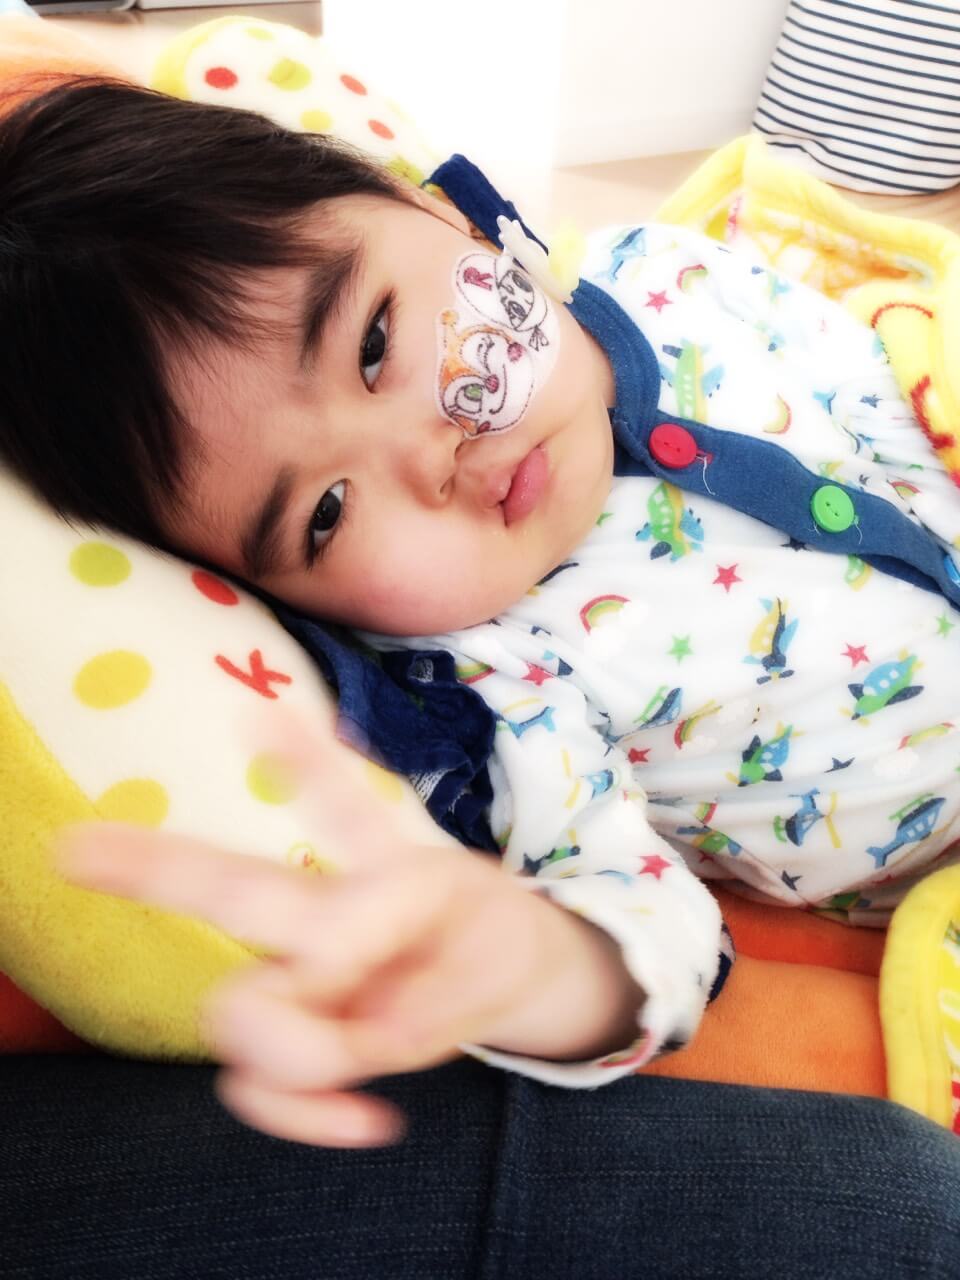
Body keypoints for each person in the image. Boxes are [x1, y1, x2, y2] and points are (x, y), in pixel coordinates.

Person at [4, 77, 960, 1142]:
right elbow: (625, 902)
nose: (426, 457)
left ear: (433, 207)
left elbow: (894, 357)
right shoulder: (499, 677)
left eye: (374, 343)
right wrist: (538, 973)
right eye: (326, 514)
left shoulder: (673, 271)